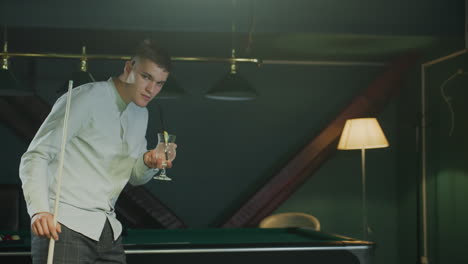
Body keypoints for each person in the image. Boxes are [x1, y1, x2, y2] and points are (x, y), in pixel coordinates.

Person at [19, 40, 175, 264]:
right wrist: (39, 211)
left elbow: (135, 176)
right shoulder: (86, 97)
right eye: (146, 77)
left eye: (160, 83)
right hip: (63, 225)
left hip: (107, 231)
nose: (152, 89)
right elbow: (36, 155)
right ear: (129, 68)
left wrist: (150, 161)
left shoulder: (140, 114)